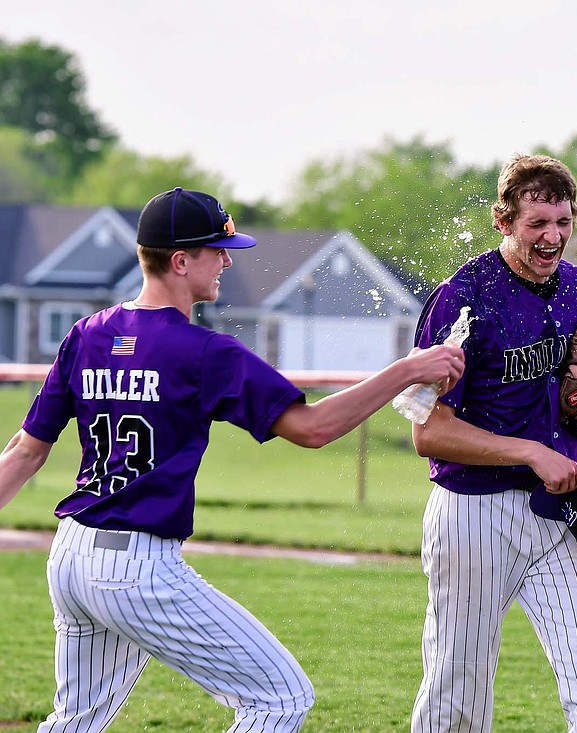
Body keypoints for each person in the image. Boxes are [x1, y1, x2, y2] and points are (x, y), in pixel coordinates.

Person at [0, 187, 465, 733]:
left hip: (71, 556)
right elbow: (313, 429)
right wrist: (406, 370)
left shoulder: (87, 335)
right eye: (216, 249)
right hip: (135, 566)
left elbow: (25, 450)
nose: (226, 259)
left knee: (75, 722)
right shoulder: (204, 351)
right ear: (180, 260)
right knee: (281, 698)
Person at [407, 155, 577, 732]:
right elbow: (428, 430)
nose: (552, 236)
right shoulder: (463, 296)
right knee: (456, 693)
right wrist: (531, 451)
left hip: (564, 511)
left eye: (562, 221)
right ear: (504, 221)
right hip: (473, 512)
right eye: (537, 222)